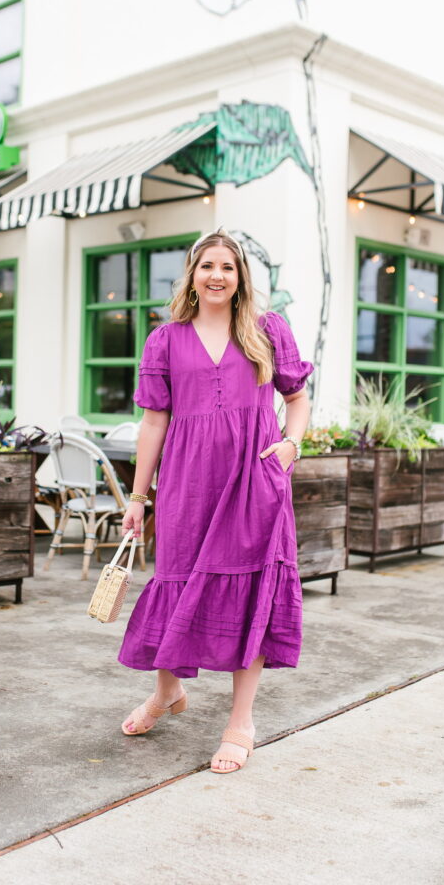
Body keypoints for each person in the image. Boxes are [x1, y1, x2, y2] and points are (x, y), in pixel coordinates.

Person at [118, 227, 314, 774]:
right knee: (175, 580)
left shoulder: (267, 330)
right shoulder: (164, 340)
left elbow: (297, 398)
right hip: (187, 482)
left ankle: (240, 722)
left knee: (250, 589)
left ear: (240, 276)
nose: (217, 275)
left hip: (255, 480)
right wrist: (138, 496)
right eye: (208, 266)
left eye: (228, 266)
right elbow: (153, 422)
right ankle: (168, 692)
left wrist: (291, 444)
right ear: (192, 275)